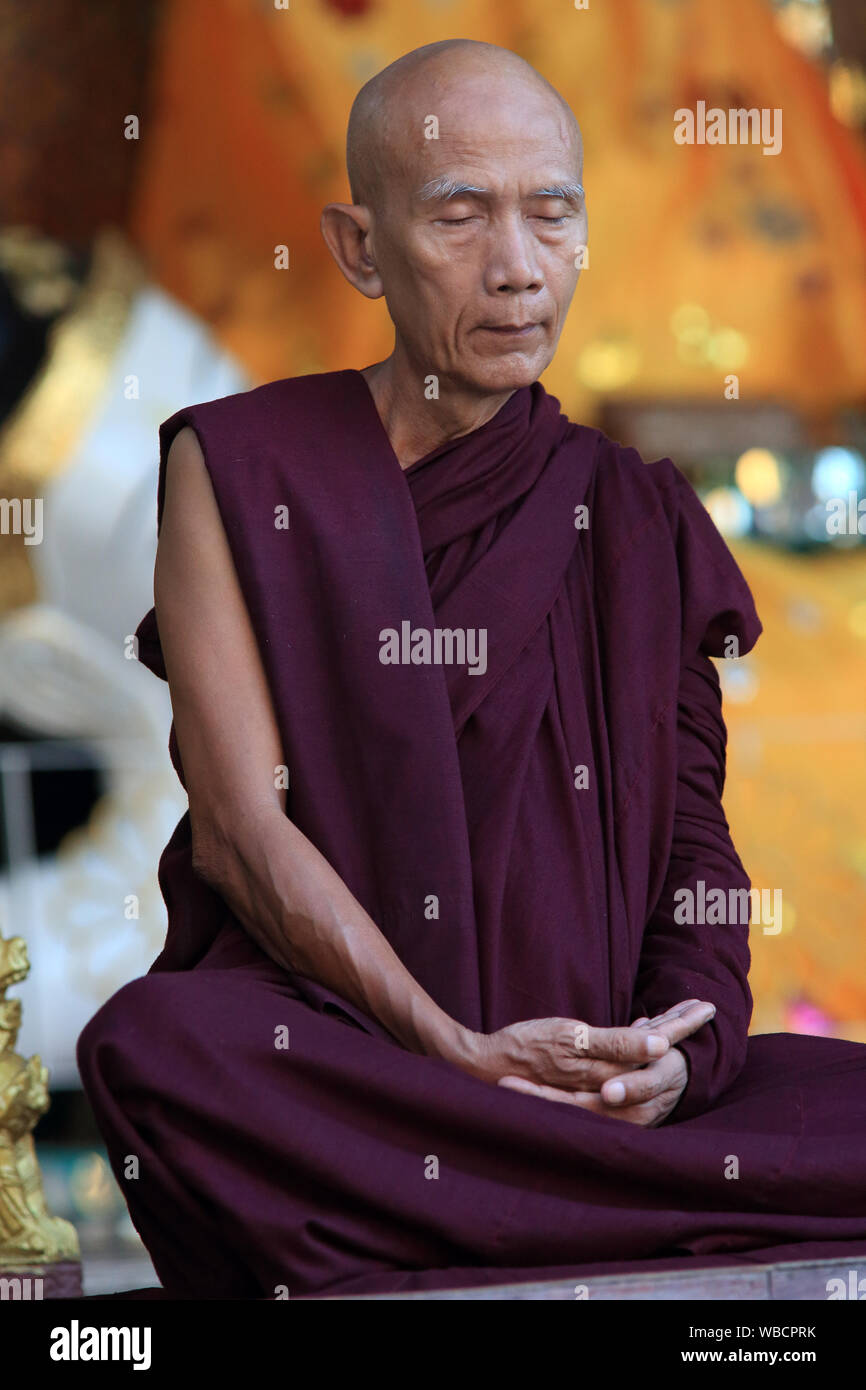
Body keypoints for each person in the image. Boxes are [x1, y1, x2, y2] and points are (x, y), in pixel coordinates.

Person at [77, 39, 866, 1299]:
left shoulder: (633, 511)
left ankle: (539, 1181)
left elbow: (696, 856)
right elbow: (237, 833)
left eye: (550, 214)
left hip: (591, 1072)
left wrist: (678, 1054)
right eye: (459, 215)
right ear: (358, 247)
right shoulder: (243, 467)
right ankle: (583, 1188)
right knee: (162, 1049)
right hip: (363, 1058)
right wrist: (451, 1049)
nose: (515, 268)